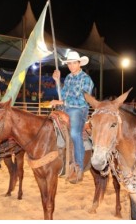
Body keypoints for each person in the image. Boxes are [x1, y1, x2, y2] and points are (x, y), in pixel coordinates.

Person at [50, 51, 94, 184]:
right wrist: (57, 81)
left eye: (74, 62)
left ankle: (78, 168)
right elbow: (62, 95)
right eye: (69, 63)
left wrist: (61, 103)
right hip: (66, 108)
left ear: (79, 63)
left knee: (75, 133)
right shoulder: (68, 77)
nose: (71, 65)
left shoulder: (86, 79)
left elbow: (83, 100)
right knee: (49, 127)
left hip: (79, 109)